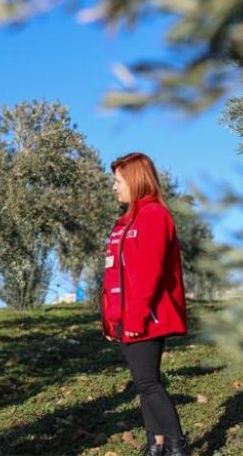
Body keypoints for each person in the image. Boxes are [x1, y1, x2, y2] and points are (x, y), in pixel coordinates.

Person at [100, 153, 189, 456]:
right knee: (144, 383)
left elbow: (148, 274)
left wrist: (135, 319)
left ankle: (177, 446)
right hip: (128, 318)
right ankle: (157, 445)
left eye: (118, 181)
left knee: (148, 383)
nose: (114, 187)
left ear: (136, 181)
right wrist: (111, 319)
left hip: (146, 317)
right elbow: (114, 275)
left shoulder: (154, 216)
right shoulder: (125, 222)